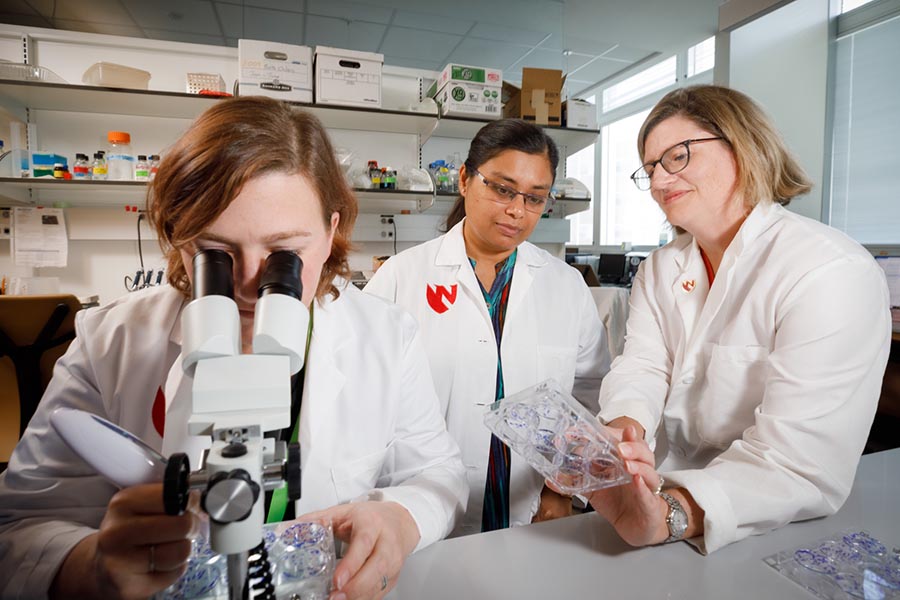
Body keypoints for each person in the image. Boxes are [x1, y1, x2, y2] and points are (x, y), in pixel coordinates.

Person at [0, 96, 467, 599]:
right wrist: (89, 567)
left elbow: (436, 473)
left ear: (332, 233)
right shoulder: (111, 339)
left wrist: (401, 519)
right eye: (215, 253)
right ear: (179, 239)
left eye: (284, 253)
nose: (248, 284)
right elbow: (19, 527)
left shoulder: (386, 336)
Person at [587, 85, 891, 554]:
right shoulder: (660, 268)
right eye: (649, 168)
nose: (660, 181)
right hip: (661, 495)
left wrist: (669, 514)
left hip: (770, 524)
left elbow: (797, 461)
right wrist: (622, 437)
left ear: (743, 145)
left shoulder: (827, 270)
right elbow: (644, 365)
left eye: (678, 156)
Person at [365, 119, 611, 536]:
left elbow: (590, 397)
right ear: (464, 179)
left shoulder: (565, 285)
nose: (517, 210)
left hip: (531, 510)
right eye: (501, 188)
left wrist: (560, 489)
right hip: (421, 512)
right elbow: (364, 401)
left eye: (535, 198)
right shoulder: (400, 278)